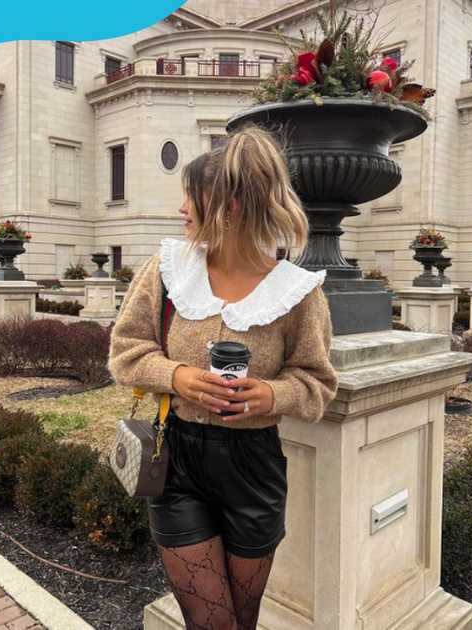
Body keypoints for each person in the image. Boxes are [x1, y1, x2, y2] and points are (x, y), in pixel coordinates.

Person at [108, 126, 338, 629]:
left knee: (242, 620)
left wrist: (270, 394)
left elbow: (317, 383)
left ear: (227, 205)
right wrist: (178, 376)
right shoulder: (169, 269)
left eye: (190, 198)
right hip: (177, 461)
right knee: (211, 623)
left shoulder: (297, 293)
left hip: (253, 469)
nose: (181, 209)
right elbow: (126, 352)